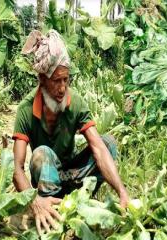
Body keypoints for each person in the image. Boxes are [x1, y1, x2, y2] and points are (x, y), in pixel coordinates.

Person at [12, 30, 129, 234]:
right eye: (57, 81)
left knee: (108, 143)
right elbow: (17, 169)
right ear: (42, 79)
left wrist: (121, 191)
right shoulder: (26, 109)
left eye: (66, 80)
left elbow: (99, 148)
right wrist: (35, 201)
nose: (62, 87)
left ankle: (83, 197)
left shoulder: (75, 103)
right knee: (40, 154)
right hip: (46, 179)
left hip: (72, 174)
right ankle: (54, 215)